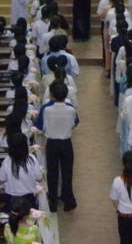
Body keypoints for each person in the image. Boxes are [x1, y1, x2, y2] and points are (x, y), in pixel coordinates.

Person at [36, 81, 79, 211]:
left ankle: (53, 202)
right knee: (67, 173)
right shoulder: (71, 108)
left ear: (52, 95)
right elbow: (75, 123)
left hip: (52, 143)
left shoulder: (46, 109)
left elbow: (39, 126)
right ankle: (68, 201)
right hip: (66, 142)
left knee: (52, 174)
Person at [0, 133, 43, 209]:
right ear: (25, 146)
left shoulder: (7, 160)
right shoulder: (32, 159)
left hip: (12, 199)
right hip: (29, 199)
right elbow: (39, 178)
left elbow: (1, 181)